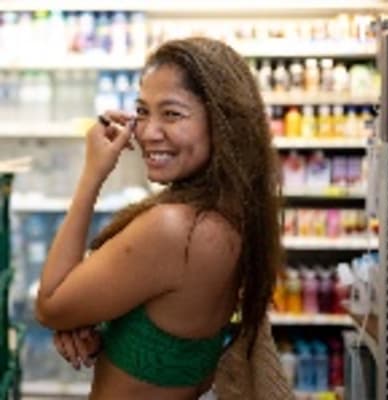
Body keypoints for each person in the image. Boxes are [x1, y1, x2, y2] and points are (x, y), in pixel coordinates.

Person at [35, 37, 283, 399]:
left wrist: (92, 175)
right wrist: (99, 332)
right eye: (142, 111)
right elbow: (172, 344)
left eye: (172, 114)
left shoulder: (176, 229)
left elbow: (50, 305)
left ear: (223, 122)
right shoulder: (230, 217)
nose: (148, 132)